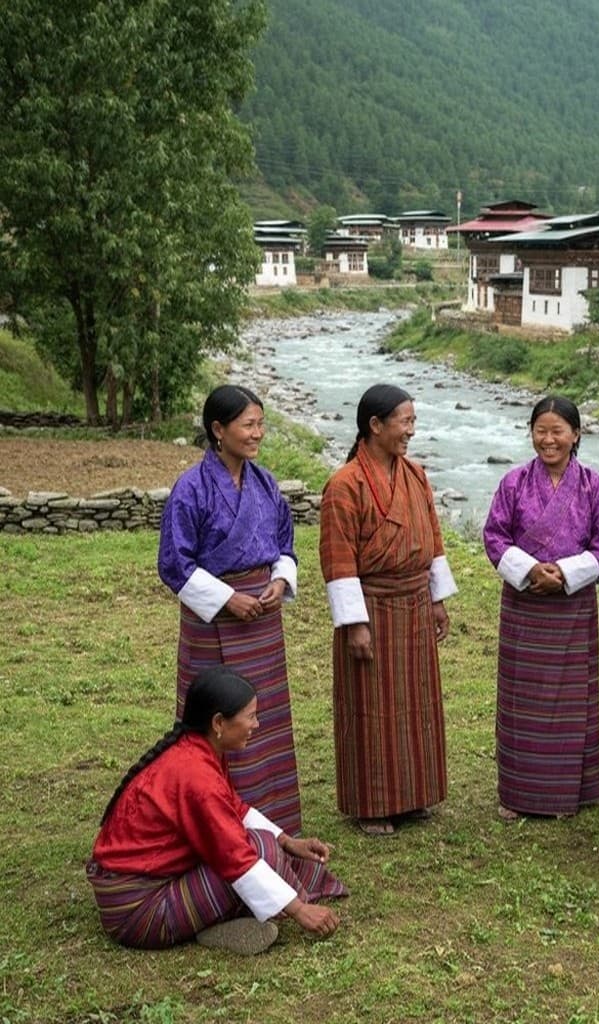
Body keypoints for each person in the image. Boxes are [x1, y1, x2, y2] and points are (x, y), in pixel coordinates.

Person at [87, 666, 347, 953]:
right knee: (263, 851)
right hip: (136, 912)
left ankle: (233, 913)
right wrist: (300, 910)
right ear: (219, 723)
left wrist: (288, 841)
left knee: (269, 845)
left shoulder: (197, 750)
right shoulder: (195, 774)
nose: (256, 724)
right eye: (250, 716)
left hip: (139, 889)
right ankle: (225, 921)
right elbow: (234, 857)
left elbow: (232, 807)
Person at [158, 384, 303, 834]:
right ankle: (214, 820)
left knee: (264, 717)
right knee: (214, 721)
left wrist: (280, 580)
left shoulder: (264, 482)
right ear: (218, 429)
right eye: (249, 425)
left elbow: (284, 543)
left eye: (261, 424)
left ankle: (274, 821)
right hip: (215, 623)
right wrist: (226, 599)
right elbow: (174, 565)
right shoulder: (191, 488)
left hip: (261, 619)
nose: (258, 434)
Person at [319, 383, 457, 837]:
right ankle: (373, 804)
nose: (411, 432)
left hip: (415, 602)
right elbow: (338, 559)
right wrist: (355, 623)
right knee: (372, 705)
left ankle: (414, 794)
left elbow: (432, 538)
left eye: (414, 421)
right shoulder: (345, 485)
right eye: (405, 422)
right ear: (375, 426)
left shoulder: (415, 474)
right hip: (372, 608)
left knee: (416, 702)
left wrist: (436, 599)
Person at [482, 396, 599, 820]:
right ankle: (519, 795)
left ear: (576, 435)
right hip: (525, 604)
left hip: (572, 606)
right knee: (522, 699)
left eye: (558, 431)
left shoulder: (595, 487)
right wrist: (530, 570)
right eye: (541, 430)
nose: (549, 439)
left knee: (569, 698)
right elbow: (495, 536)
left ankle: (566, 795)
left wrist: (562, 571)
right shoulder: (514, 483)